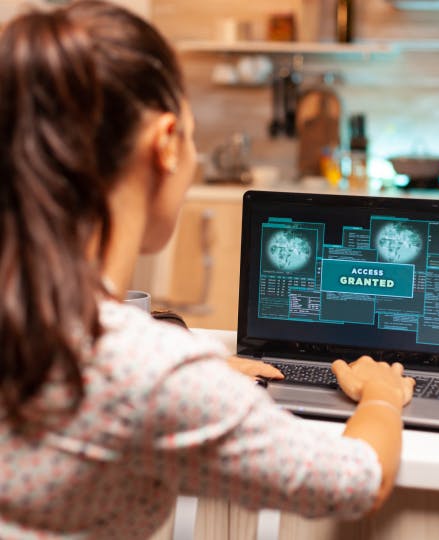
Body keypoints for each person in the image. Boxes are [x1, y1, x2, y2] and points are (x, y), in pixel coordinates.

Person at [0, 1, 415, 538]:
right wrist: (381, 395)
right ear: (166, 144)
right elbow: (355, 483)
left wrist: (201, 368)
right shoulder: (154, 373)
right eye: (194, 138)